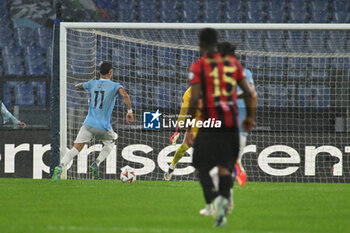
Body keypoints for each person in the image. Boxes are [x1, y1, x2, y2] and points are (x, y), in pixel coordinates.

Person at [187, 28, 256, 227]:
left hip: (211, 123)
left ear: (200, 44)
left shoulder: (199, 66)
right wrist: (250, 118)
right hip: (232, 124)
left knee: (201, 167)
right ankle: (223, 213)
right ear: (216, 43)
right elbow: (249, 94)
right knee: (226, 168)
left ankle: (217, 200)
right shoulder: (233, 64)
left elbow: (194, 99)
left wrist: (191, 129)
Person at [52, 61, 134, 181]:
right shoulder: (116, 86)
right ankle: (96, 163)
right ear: (111, 72)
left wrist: (79, 86)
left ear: (99, 72)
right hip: (102, 126)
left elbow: (78, 86)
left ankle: (60, 166)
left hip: (88, 124)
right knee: (112, 140)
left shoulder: (92, 83)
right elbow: (125, 96)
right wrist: (129, 112)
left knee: (76, 148)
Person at [206, 41, 258, 215]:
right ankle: (226, 202)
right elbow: (252, 95)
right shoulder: (243, 72)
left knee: (215, 169)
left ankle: (222, 204)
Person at [163, 86, 200, 181]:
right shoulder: (190, 92)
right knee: (185, 147)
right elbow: (183, 111)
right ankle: (171, 168)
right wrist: (177, 130)